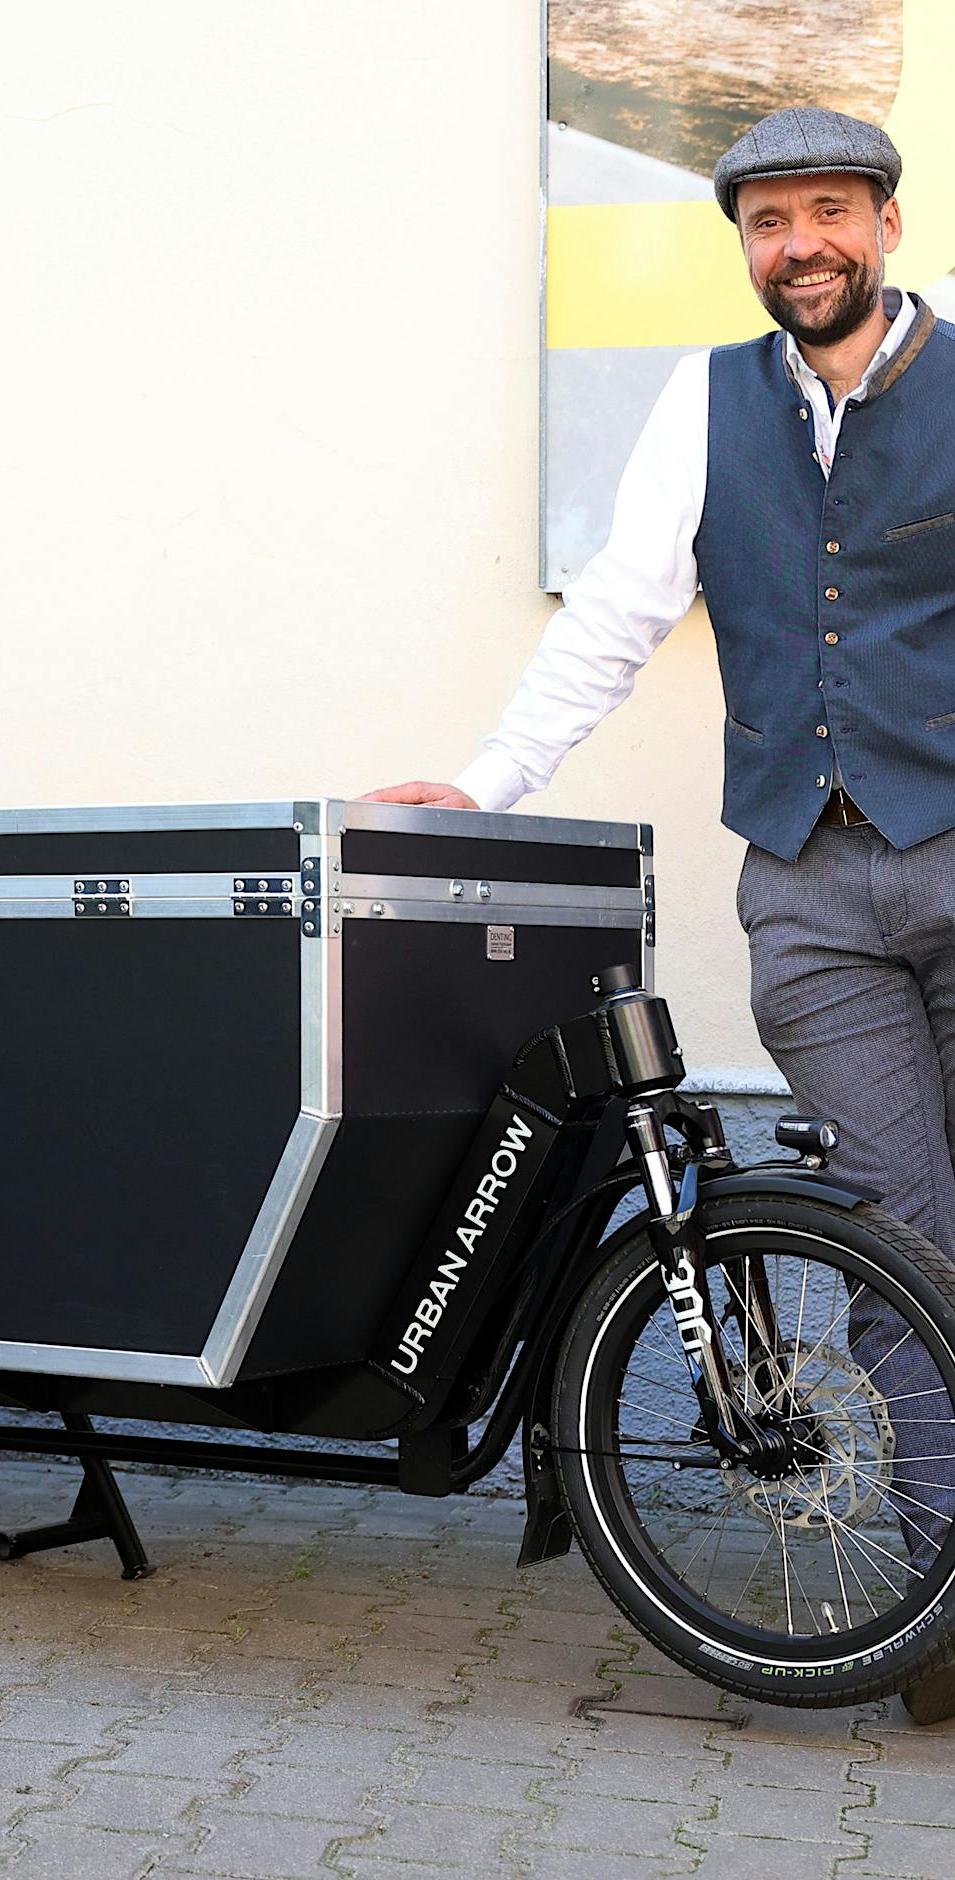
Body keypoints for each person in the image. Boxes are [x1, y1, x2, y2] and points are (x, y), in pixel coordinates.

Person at [368, 106, 955, 1725]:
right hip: (813, 891)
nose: (801, 247)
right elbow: (619, 613)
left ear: (887, 225)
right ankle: (944, 1615)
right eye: (770, 224)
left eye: (828, 213)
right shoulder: (704, 408)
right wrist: (489, 785)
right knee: (904, 1232)